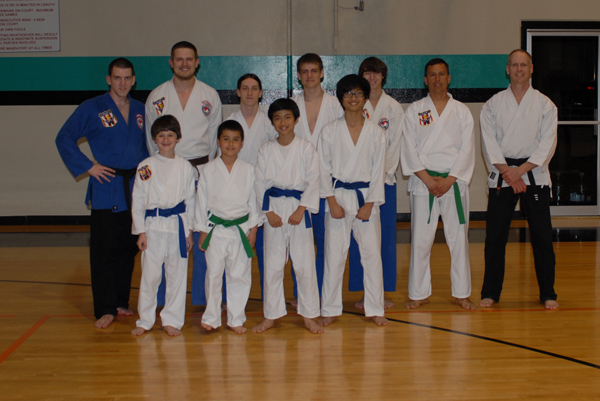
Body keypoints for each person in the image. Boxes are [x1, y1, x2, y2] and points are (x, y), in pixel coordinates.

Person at [56, 58, 148, 329]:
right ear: (109, 79)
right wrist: (88, 166)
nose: (122, 83)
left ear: (133, 80)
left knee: (128, 249)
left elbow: (148, 148)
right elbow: (64, 137)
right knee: (104, 250)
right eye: (117, 78)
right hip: (107, 186)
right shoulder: (92, 107)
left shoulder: (141, 109)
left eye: (127, 78)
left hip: (134, 188)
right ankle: (105, 308)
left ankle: (120, 301)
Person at [145, 41, 223, 307]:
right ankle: (161, 299)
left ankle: (202, 298)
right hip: (166, 170)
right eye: (179, 59)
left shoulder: (209, 95)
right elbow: (151, 139)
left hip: (201, 169)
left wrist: (209, 173)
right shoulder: (157, 96)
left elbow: (214, 138)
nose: (184, 64)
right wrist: (159, 171)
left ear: (197, 62)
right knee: (164, 233)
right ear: (171, 62)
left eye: (189, 59)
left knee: (201, 230)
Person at [480, 49, 559, 310]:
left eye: (523, 65)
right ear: (507, 69)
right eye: (514, 65)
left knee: (542, 236)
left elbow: (548, 144)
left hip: (533, 173)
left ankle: (548, 293)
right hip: (503, 173)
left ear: (531, 69)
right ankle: (490, 292)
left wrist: (521, 170)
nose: (519, 69)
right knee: (495, 237)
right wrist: (509, 172)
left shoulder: (545, 105)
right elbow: (488, 143)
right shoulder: (493, 104)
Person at [401, 58, 476, 310]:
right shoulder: (414, 110)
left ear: (449, 78)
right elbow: (408, 148)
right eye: (432, 75)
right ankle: (418, 293)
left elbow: (468, 149)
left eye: (441, 74)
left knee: (458, 239)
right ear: (425, 79)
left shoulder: (462, 111)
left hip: (454, 183)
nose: (437, 79)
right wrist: (427, 179)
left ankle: (462, 293)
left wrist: (450, 180)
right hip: (423, 183)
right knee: (421, 240)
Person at [317, 74, 388, 327]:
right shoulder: (329, 131)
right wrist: (331, 201)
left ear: (366, 97)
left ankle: (375, 308)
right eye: (348, 94)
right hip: (338, 197)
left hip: (366, 197)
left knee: (371, 255)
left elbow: (379, 170)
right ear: (341, 98)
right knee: (334, 255)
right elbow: (322, 168)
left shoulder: (376, 132)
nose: (353, 98)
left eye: (358, 93)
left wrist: (370, 203)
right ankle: (330, 308)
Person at [253, 99, 322, 334]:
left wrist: (302, 209)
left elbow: (313, 179)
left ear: (296, 119)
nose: (283, 122)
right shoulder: (265, 150)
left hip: (298, 207)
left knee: (304, 264)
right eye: (277, 118)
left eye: (287, 117)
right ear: (272, 122)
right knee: (272, 264)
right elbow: (259, 182)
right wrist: (268, 212)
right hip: (274, 208)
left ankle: (309, 315)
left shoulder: (306, 148)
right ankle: (271, 315)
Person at [130, 115, 196, 337]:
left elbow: (191, 201)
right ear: (154, 139)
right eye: (161, 135)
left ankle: (172, 320)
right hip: (153, 226)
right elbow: (138, 200)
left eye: (170, 135)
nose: (166, 139)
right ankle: (145, 320)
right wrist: (141, 231)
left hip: (177, 225)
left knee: (177, 275)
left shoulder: (185, 167)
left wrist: (189, 232)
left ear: (178, 138)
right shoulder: (146, 166)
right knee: (150, 276)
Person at [349, 57, 404, 309]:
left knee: (385, 239)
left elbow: (395, 146)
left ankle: (381, 291)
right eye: (367, 73)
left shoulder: (393, 108)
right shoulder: (353, 104)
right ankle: (364, 292)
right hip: (357, 184)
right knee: (359, 239)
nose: (371, 77)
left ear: (383, 76)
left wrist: (380, 178)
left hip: (384, 183)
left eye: (376, 73)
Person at [195, 120, 260, 334]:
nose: (230, 144)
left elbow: (254, 201)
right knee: (213, 274)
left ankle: (236, 318)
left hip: (241, 228)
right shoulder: (208, 169)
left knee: (239, 275)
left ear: (242, 143)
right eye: (226, 139)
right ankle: (211, 317)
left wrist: (254, 229)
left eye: (235, 140)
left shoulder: (249, 170)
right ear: (218, 142)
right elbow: (201, 201)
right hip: (216, 229)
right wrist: (202, 230)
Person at [291, 53, 344, 306]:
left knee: (326, 243)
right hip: (298, 185)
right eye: (305, 71)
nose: (309, 75)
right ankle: (301, 294)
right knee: (299, 244)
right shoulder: (291, 105)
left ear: (322, 73)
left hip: (326, 184)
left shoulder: (335, 105)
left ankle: (324, 292)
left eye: (314, 70)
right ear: (298, 75)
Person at [226, 74, 278, 298]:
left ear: (260, 93)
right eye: (245, 88)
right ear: (238, 92)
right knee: (234, 249)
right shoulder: (229, 121)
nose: (249, 93)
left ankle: (269, 298)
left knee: (267, 250)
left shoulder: (269, 123)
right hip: (236, 190)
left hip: (263, 190)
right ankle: (231, 298)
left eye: (254, 88)